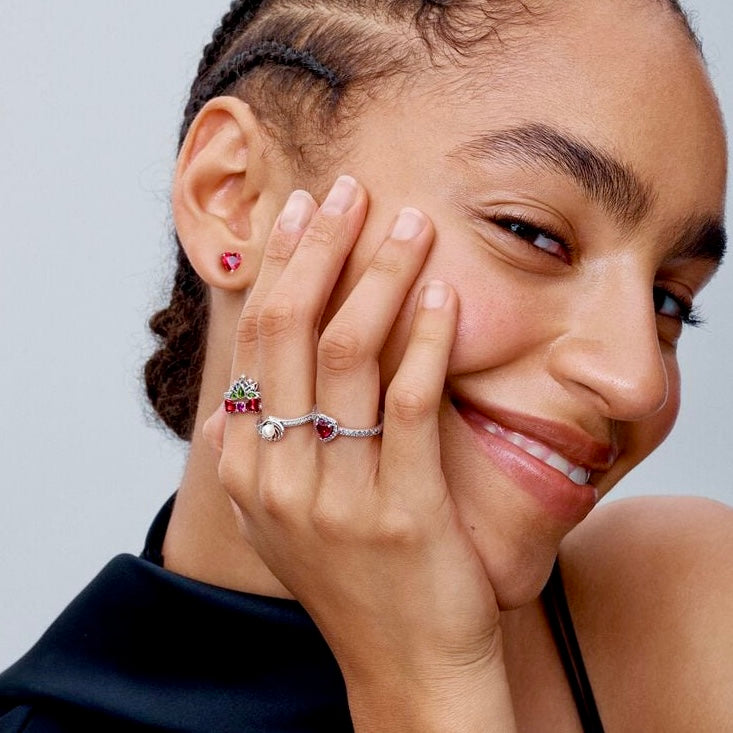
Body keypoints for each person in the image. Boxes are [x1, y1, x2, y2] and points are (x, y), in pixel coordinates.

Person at [1, 0, 731, 730]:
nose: (637, 380)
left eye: (670, 301)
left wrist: (432, 683)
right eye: (531, 234)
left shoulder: (681, 615)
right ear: (234, 199)